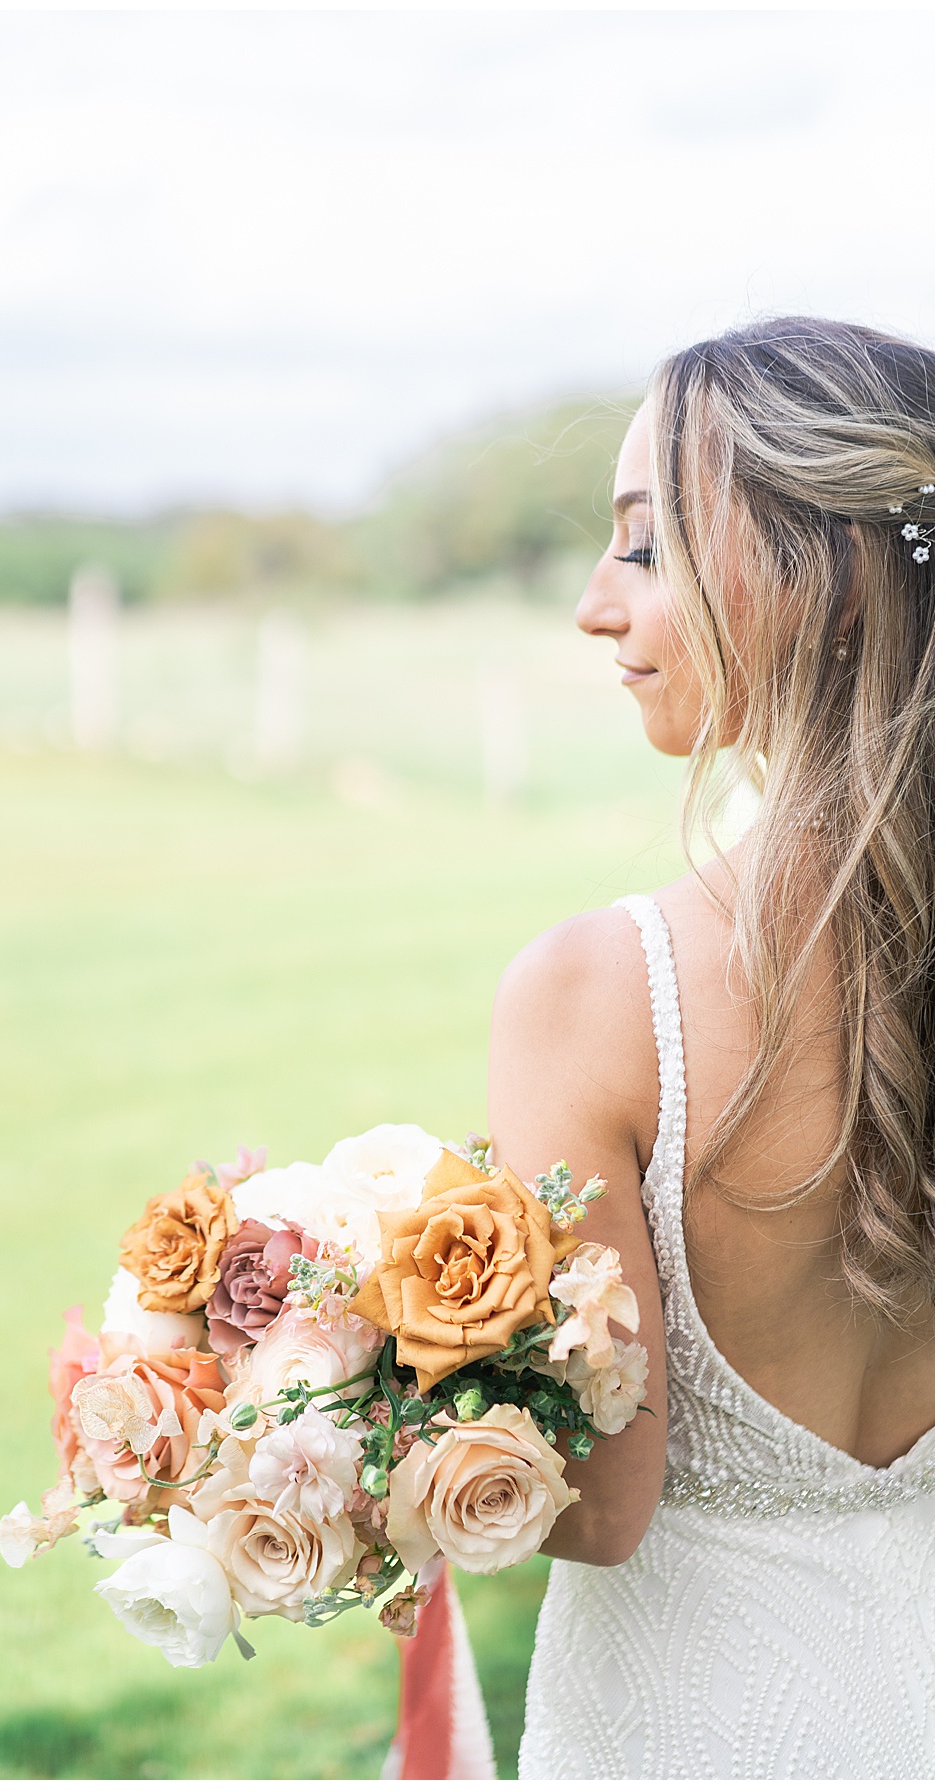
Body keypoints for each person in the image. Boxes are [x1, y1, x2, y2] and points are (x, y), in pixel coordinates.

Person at [488, 317, 934, 1780]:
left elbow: (602, 1511)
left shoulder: (595, 992)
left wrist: (342, 1417)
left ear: (820, 582)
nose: (592, 608)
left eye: (644, 545)